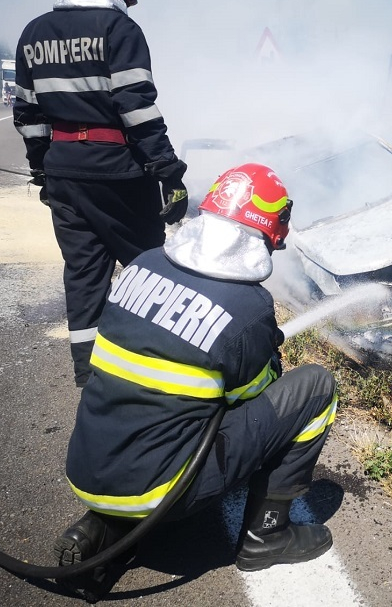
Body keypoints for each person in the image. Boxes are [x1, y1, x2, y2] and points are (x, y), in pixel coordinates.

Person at [53, 164, 337, 601]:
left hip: (88, 471)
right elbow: (253, 398)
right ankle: (266, 537)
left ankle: (104, 525)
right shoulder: (247, 306)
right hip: (164, 493)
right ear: (270, 230)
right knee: (315, 387)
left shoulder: (142, 264)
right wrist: (261, 352)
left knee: (170, 406)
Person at [13, 0, 188, 388]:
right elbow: (137, 107)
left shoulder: (33, 33)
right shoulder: (119, 30)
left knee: (83, 273)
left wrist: (42, 171)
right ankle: (171, 363)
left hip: (64, 174)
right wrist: (168, 171)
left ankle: (89, 374)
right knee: (152, 265)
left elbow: (29, 116)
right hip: (118, 172)